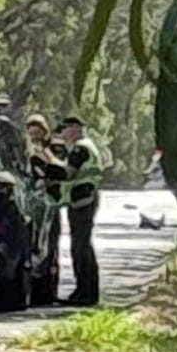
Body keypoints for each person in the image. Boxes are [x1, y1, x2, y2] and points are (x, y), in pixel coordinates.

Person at [58, 116, 102, 306]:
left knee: (80, 248)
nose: (63, 133)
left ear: (75, 128)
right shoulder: (86, 146)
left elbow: (69, 173)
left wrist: (49, 164)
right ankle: (85, 291)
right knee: (82, 246)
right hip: (83, 198)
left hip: (83, 200)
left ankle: (85, 293)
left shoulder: (80, 148)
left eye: (65, 129)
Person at [25, 114, 67, 304]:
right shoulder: (25, 149)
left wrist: (44, 153)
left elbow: (61, 169)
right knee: (32, 247)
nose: (34, 135)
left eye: (37, 131)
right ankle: (30, 286)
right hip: (30, 203)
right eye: (30, 131)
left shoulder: (55, 147)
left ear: (44, 130)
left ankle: (47, 292)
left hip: (50, 202)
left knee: (49, 248)